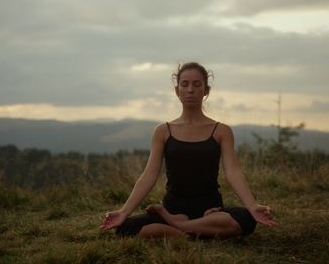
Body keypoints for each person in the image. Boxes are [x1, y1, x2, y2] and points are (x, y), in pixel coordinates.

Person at [100, 62, 277, 239]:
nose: (190, 89)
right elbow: (149, 176)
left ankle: (179, 227)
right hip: (174, 209)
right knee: (127, 228)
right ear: (177, 91)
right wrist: (124, 212)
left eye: (197, 84)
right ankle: (197, 231)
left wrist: (252, 206)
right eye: (184, 84)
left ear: (206, 90)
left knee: (246, 218)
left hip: (210, 209)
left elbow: (233, 172)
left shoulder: (222, 131)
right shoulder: (163, 131)